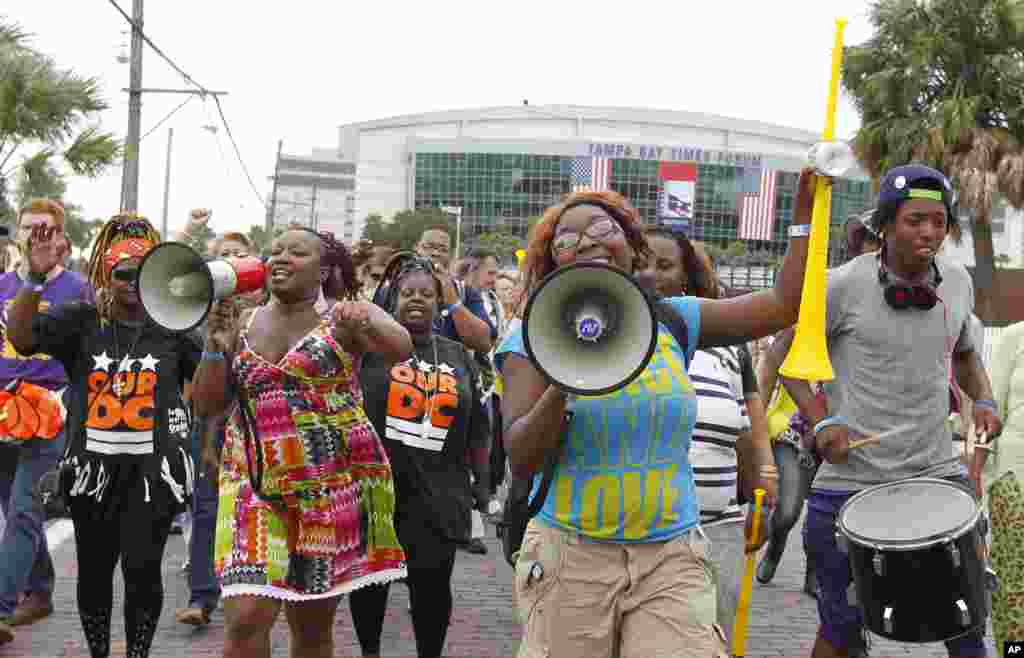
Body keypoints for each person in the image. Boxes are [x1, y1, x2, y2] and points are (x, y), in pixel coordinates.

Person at [497, 168, 819, 658]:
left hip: (670, 559)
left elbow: (781, 306)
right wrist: (567, 378)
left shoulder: (673, 320)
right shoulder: (530, 339)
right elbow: (521, 459)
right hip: (572, 557)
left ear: (631, 244)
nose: (589, 243)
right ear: (552, 260)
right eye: (569, 238)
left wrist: (802, 223)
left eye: (603, 230)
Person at [785, 164, 1001, 658]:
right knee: (840, 632)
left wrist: (983, 399)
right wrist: (824, 421)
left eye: (939, 221)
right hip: (848, 484)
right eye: (915, 220)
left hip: (937, 474)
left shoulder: (959, 284)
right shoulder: (839, 285)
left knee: (967, 625)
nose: (930, 232)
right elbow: (791, 367)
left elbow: (965, 355)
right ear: (885, 224)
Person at [192, 227, 412, 658]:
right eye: (275, 251)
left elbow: (401, 348)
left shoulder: (346, 316)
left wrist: (364, 319)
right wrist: (214, 348)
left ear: (324, 269)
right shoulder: (243, 319)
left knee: (310, 626)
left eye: (297, 252)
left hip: (325, 490)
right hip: (253, 486)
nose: (281, 258)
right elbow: (207, 404)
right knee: (246, 617)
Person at [7, 213, 200, 658]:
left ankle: (137, 654)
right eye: (122, 272)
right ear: (105, 274)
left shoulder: (174, 325)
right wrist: (34, 279)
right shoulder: (80, 319)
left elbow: (207, 395)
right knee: (94, 574)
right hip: (90, 474)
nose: (131, 281)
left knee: (142, 572)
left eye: (141, 271)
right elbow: (20, 336)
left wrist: (214, 345)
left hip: (153, 476)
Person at [635, 227, 776, 645]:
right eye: (641, 263)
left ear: (686, 276)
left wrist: (762, 491)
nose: (651, 275)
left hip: (718, 530)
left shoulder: (727, 347)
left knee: (714, 641)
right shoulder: (612, 336)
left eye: (664, 265)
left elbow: (751, 428)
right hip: (639, 534)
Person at [349, 254, 491, 658]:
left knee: (432, 589)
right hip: (377, 492)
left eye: (426, 294)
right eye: (407, 292)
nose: (416, 299)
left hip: (440, 495)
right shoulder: (366, 351)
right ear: (392, 299)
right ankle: (370, 651)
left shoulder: (457, 355)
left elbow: (478, 428)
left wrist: (480, 490)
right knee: (371, 584)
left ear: (438, 301)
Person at [755, 209, 882, 596]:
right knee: (789, 510)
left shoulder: (884, 308)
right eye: (870, 243)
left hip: (848, 432)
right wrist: (757, 414)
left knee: (826, 515)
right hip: (796, 431)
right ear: (857, 247)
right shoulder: (832, 293)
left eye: (879, 244)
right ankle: (776, 546)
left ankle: (815, 575)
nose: (876, 251)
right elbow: (778, 357)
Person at [0, 200, 92, 646]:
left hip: (52, 415)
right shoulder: (0, 285)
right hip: (2, 415)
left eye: (46, 229)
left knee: (23, 509)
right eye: (29, 227)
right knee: (15, 512)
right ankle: (38, 592)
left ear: (61, 238)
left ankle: (1, 606)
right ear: (18, 233)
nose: (37, 236)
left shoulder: (80, 290)